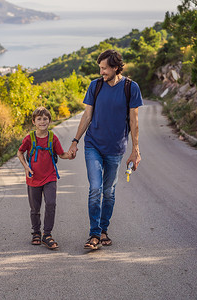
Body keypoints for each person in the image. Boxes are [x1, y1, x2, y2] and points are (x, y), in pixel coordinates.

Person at [68, 49, 143, 250]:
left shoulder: (130, 87)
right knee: (95, 188)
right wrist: (76, 140)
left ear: (116, 67)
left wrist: (135, 150)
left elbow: (134, 122)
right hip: (93, 145)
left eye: (104, 68)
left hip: (116, 148)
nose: (101, 72)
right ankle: (94, 234)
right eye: (100, 68)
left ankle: (103, 230)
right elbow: (86, 116)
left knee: (108, 192)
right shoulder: (96, 86)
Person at [17, 107, 71, 250]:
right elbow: (20, 152)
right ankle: (36, 232)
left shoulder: (53, 138)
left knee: (51, 204)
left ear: (49, 121)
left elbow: (62, 154)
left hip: (50, 177)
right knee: (35, 208)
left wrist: (71, 155)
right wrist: (26, 167)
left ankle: (47, 234)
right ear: (34, 122)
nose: (42, 121)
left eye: (45, 119)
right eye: (39, 119)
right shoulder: (29, 138)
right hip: (33, 178)